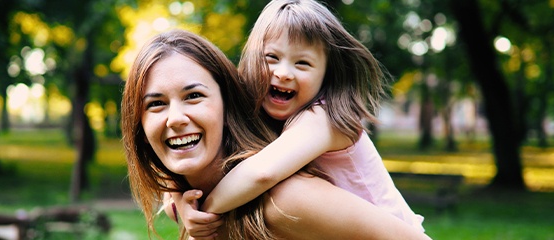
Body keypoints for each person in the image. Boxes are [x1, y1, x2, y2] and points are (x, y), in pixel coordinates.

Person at [122, 29, 430, 239]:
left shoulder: (283, 201)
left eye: (193, 96)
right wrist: (180, 202)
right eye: (156, 104)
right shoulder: (191, 205)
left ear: (227, 102)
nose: (175, 119)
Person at [199, 0, 425, 232]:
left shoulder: (324, 117)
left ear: (326, 75)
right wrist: (179, 201)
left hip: (396, 234)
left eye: (303, 63)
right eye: (272, 58)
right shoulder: (265, 116)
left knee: (282, 194)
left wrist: (204, 212)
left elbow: (262, 174)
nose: (284, 73)